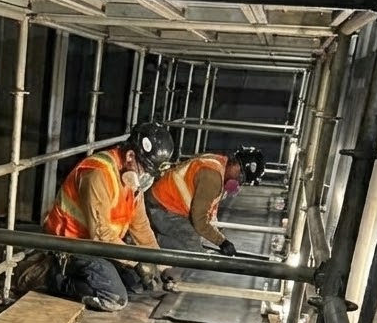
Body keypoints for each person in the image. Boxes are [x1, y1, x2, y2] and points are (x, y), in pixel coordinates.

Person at [17, 121, 175, 312]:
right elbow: (100, 235)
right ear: (130, 156)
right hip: (71, 245)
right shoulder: (98, 173)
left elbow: (141, 227)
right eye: (146, 170)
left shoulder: (132, 180)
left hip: (97, 246)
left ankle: (88, 275)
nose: (147, 177)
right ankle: (50, 275)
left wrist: (162, 265)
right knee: (114, 298)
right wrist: (137, 262)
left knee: (137, 284)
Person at [143, 145, 266, 288]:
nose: (238, 181)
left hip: (169, 205)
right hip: (160, 207)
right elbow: (199, 220)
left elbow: (208, 210)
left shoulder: (220, 163)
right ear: (235, 163)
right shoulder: (212, 177)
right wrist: (222, 242)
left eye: (242, 180)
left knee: (199, 240)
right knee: (195, 253)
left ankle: (158, 253)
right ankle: (148, 244)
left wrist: (215, 234)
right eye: (240, 176)